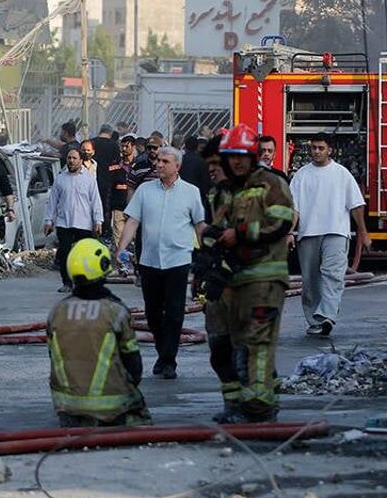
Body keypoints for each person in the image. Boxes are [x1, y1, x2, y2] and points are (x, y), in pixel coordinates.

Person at [202, 124, 296, 423]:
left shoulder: (271, 183)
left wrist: (240, 234)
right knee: (233, 346)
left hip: (265, 278)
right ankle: (246, 405)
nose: (237, 161)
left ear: (253, 155)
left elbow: (281, 223)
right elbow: (216, 230)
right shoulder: (226, 190)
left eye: (242, 155)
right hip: (235, 280)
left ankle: (259, 410)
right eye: (231, 156)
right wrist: (206, 261)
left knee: (258, 342)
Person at [115, 146, 206, 379]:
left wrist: (207, 255)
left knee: (174, 313)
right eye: (158, 161)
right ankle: (162, 352)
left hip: (178, 260)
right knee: (153, 313)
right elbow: (132, 222)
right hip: (149, 261)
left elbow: (199, 225)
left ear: (177, 166)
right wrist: (121, 248)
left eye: (165, 162)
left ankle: (168, 361)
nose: (159, 165)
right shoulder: (145, 191)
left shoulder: (191, 192)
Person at [48, 238, 150, 428]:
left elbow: (53, 357)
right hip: (112, 407)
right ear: (103, 265)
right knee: (141, 420)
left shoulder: (57, 312)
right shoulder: (116, 311)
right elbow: (134, 365)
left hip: (67, 407)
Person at [288, 133, 370, 337]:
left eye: (321, 148)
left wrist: (363, 233)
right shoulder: (301, 176)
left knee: (333, 275)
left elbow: (356, 205)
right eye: (313, 148)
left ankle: (327, 316)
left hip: (336, 232)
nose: (316, 151)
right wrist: (289, 231)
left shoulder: (342, 174)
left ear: (329, 150)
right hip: (308, 233)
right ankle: (315, 320)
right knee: (310, 281)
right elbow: (293, 208)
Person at [197, 134, 243, 421]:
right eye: (209, 164)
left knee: (247, 354)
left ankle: (256, 408)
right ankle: (232, 404)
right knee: (219, 350)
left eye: (216, 163)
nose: (211, 169)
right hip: (218, 289)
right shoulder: (215, 195)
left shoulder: (250, 194)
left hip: (244, 289)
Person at [44, 147, 103, 293]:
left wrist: (98, 221)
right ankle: (67, 282)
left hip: (84, 223)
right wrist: (48, 220)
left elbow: (95, 201)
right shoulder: (60, 179)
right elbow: (53, 201)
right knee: (64, 252)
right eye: (69, 158)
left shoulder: (89, 179)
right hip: (64, 222)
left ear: (81, 160)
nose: (71, 161)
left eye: (74, 158)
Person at [179, 134, 213, 218]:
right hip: (198, 196)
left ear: (185, 145)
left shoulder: (179, 160)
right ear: (197, 147)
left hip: (181, 195)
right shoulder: (202, 162)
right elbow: (205, 181)